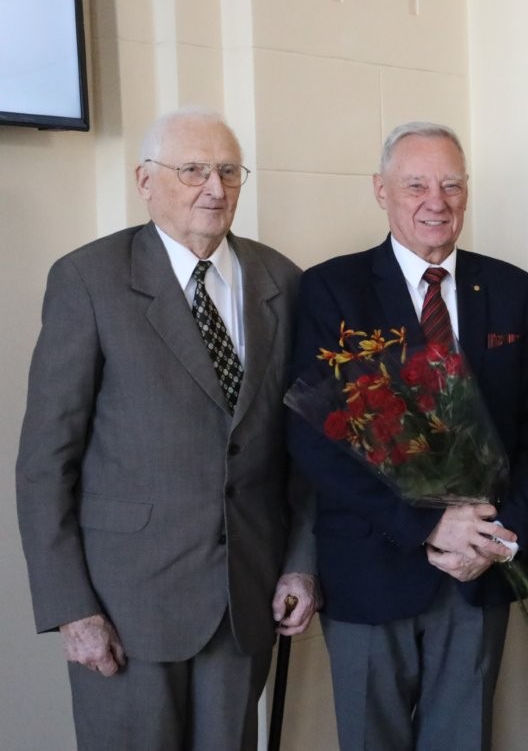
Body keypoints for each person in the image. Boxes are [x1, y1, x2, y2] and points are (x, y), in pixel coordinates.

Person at [15, 107, 319, 751]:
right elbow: (45, 462)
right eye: (192, 171)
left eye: (229, 171)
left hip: (246, 600)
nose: (214, 188)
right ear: (145, 180)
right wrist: (71, 608)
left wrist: (301, 565)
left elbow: (305, 450)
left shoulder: (283, 281)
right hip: (125, 609)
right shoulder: (89, 280)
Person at [286, 121, 528, 751]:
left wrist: (502, 535)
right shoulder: (333, 289)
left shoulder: (513, 290)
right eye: (416, 185)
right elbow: (314, 439)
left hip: (477, 576)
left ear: (467, 192)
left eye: (451, 185)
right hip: (369, 571)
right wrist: (428, 526)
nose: (435, 202)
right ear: (380, 190)